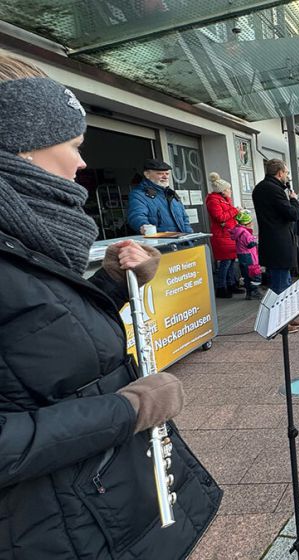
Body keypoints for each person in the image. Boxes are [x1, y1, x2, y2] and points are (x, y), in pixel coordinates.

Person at [0, 54, 220, 557]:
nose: (82, 163)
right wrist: (127, 410)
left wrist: (114, 282)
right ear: (22, 149)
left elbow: (35, 336)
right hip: (49, 527)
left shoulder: (26, 236)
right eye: (74, 146)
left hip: (92, 505)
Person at [252, 159, 299, 330]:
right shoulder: (272, 189)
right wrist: (294, 200)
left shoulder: (263, 187)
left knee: (285, 282)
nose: (287, 176)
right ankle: (280, 322)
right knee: (280, 285)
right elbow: (292, 214)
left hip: (276, 242)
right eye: (287, 173)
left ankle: (288, 317)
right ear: (280, 173)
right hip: (278, 243)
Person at [127, 158, 193, 234]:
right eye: (160, 173)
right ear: (147, 174)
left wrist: (189, 236)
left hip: (182, 242)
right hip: (160, 243)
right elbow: (137, 216)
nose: (165, 177)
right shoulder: (138, 195)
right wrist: (144, 227)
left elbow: (185, 218)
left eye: (167, 174)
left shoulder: (171, 194)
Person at [205, 172, 240, 298]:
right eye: (228, 189)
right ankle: (221, 287)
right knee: (225, 262)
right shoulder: (213, 201)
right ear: (222, 191)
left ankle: (231, 284)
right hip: (221, 235)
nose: (230, 191)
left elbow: (227, 216)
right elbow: (220, 217)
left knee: (230, 261)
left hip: (228, 233)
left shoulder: (224, 200)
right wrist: (235, 210)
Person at [229, 210, 261, 299]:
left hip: (241, 256)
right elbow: (250, 244)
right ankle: (254, 291)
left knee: (246, 275)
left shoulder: (237, 231)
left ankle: (248, 293)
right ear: (247, 223)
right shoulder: (245, 233)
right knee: (254, 274)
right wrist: (255, 239)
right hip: (249, 256)